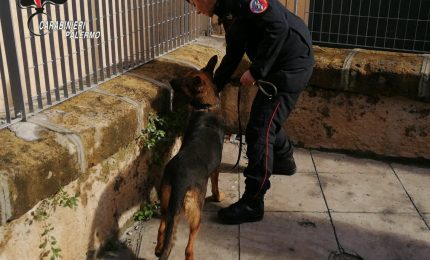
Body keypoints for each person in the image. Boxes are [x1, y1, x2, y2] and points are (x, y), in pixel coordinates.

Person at [186, 0, 314, 224]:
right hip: (278, 65)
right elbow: (233, 54)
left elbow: (279, 28)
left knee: (259, 130)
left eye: (194, 2)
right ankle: (283, 160)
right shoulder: (227, 10)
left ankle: (253, 202)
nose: (196, 10)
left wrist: (256, 71)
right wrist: (214, 88)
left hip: (291, 66)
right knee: (267, 121)